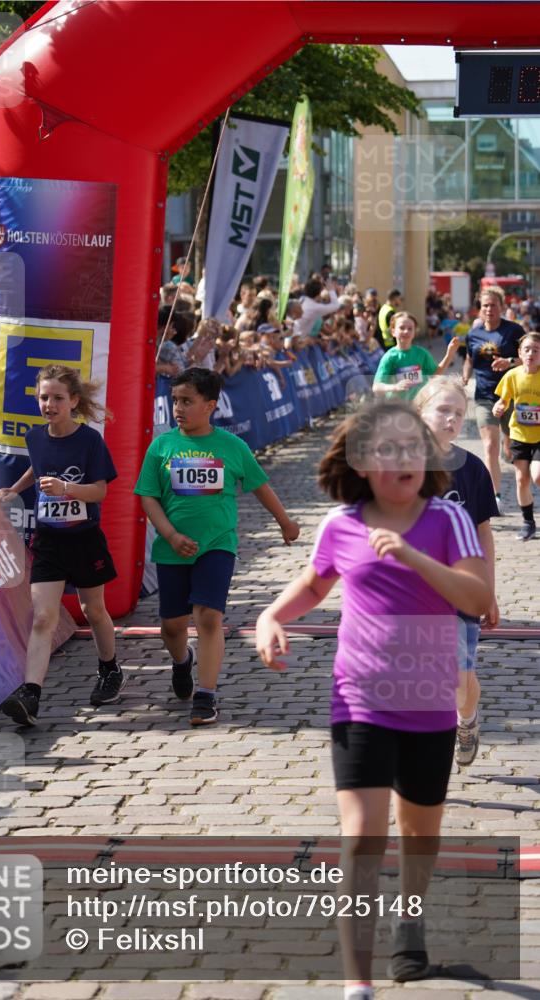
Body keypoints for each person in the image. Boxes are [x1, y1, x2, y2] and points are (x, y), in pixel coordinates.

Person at [256, 400, 492, 999]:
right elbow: (314, 582)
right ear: (361, 463)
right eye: (387, 450)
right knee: (361, 836)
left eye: (411, 448)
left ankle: (410, 924)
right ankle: (356, 983)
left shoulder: (447, 521)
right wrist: (270, 616)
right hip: (359, 699)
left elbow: (476, 596)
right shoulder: (342, 524)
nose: (403, 458)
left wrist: (412, 555)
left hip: (430, 704)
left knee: (419, 834)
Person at [135, 366, 299, 726]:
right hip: (172, 549)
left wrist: (285, 522)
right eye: (175, 400)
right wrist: (171, 535)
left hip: (217, 545)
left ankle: (206, 695)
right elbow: (148, 497)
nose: (178, 408)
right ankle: (182, 662)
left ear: (210, 405)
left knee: (208, 617)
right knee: (172, 626)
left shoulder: (231, 446)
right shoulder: (161, 446)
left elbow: (260, 485)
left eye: (187, 401)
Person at [0, 364, 120, 725]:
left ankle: (110, 670)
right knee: (44, 617)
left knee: (93, 610)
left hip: (84, 538)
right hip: (49, 538)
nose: (49, 404)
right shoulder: (35, 438)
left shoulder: (89, 440)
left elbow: (100, 490)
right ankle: (31, 694)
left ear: (74, 401)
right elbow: (38, 467)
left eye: (57, 398)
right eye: (44, 397)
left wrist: (66, 489)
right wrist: (16, 489)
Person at [415, 377, 499, 767]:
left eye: (458, 413)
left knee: (459, 680)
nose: (451, 419)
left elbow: (483, 531)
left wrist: (489, 589)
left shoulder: (472, 469)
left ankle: (466, 718)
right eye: (442, 410)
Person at [463, 286, 524, 513]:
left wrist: (509, 362)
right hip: (485, 396)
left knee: (508, 450)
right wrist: (464, 377)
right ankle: (495, 496)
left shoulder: (514, 331)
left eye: (493, 305)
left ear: (502, 307)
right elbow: (470, 359)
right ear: (480, 308)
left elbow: (528, 359)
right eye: (485, 305)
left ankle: (507, 447)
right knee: (489, 446)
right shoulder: (473, 333)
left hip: (512, 396)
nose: (489, 309)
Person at [492, 331, 540, 540]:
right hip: (519, 433)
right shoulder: (512, 375)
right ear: (519, 353)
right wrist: (498, 407)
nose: (531, 354)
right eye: (527, 350)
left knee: (537, 476)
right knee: (521, 480)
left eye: (536, 350)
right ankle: (528, 523)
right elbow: (503, 400)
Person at [372, 312, 460, 399]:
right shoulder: (389, 357)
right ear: (393, 331)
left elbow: (435, 374)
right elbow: (376, 387)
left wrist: (449, 355)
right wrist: (395, 387)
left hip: (420, 405)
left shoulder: (421, 353)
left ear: (415, 332)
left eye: (410, 329)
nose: (406, 331)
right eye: (402, 328)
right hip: (399, 407)